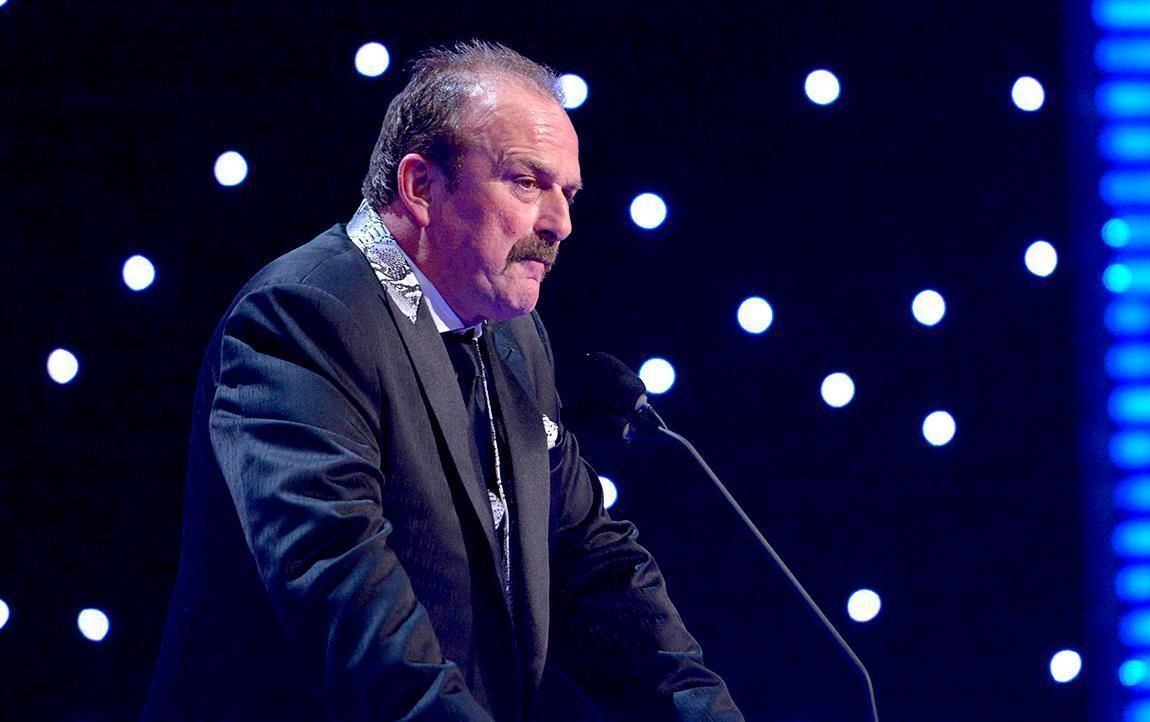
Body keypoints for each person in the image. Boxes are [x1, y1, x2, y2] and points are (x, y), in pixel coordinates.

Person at [141, 40, 742, 722]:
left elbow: (591, 566)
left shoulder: (514, 335)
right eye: (526, 181)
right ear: (420, 186)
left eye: (567, 193)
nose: (560, 223)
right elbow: (344, 598)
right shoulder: (303, 317)